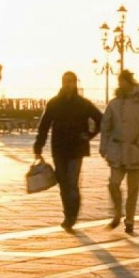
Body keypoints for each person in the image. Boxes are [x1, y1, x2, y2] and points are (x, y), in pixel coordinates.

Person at [33, 71, 103, 232]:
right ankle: (68, 214)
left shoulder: (83, 103)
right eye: (66, 81)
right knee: (63, 184)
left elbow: (100, 119)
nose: (68, 84)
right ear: (62, 83)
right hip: (59, 149)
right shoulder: (54, 103)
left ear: (75, 83)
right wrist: (38, 147)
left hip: (77, 149)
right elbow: (44, 126)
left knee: (72, 183)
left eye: (71, 81)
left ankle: (72, 215)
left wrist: (89, 135)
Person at [100, 69, 139, 234]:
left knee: (133, 188)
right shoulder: (114, 103)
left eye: (122, 81)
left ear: (129, 82)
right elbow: (106, 126)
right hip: (117, 150)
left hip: (135, 150)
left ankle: (130, 219)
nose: (120, 84)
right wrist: (104, 146)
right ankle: (117, 211)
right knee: (113, 183)